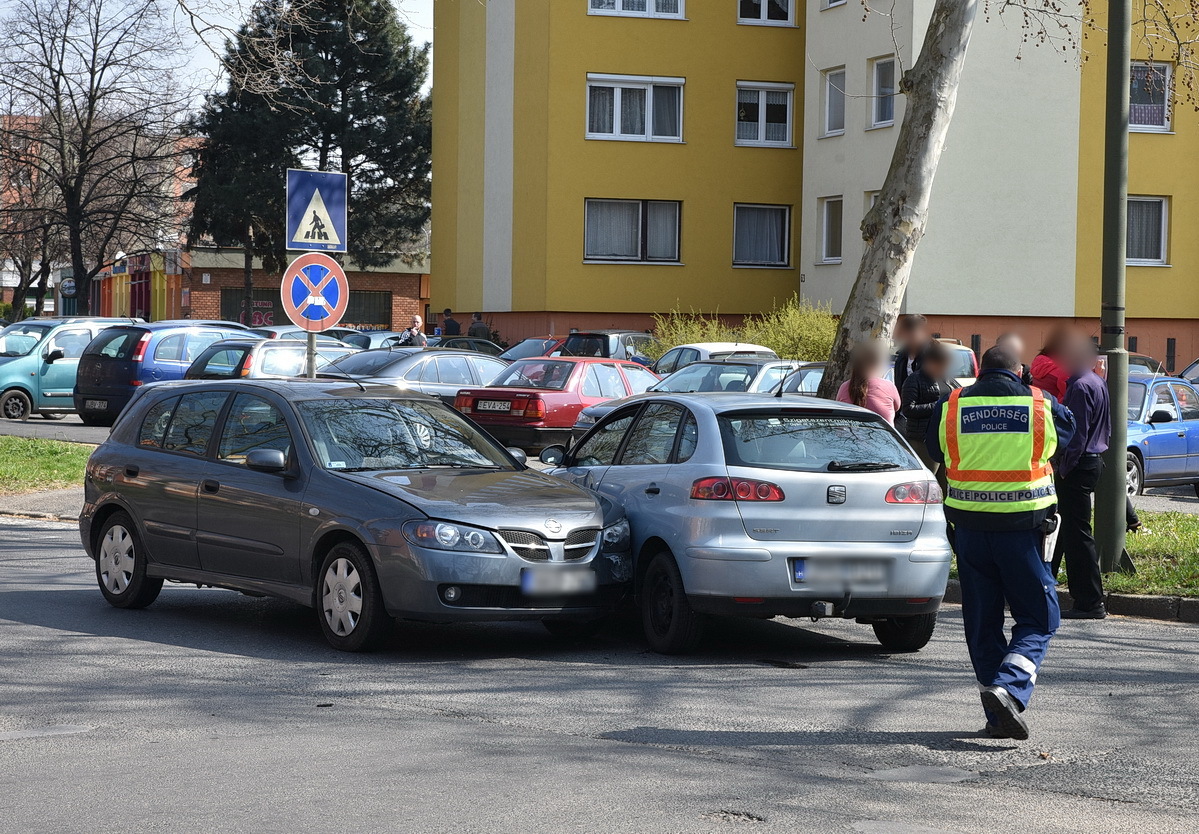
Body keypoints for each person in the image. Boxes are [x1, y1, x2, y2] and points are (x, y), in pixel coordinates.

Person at [927, 346, 1075, 740]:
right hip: (1023, 531)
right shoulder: (1040, 404)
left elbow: (935, 450)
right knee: (1040, 618)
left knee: (982, 623)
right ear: (1019, 370)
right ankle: (1009, 688)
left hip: (971, 532)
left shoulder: (951, 405)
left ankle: (998, 717)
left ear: (980, 370)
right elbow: (1068, 438)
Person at [1052, 335, 1112, 619]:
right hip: (1091, 461)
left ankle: (1089, 602)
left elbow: (1075, 435)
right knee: (1068, 531)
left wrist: (1063, 468)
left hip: (1077, 464)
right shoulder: (1096, 381)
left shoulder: (1080, 385)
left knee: (1076, 535)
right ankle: (1049, 588)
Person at [900, 340, 951, 486]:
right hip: (922, 439)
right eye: (941, 365)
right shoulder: (914, 380)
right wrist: (937, 406)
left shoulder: (944, 378)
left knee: (945, 483)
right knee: (927, 482)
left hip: (943, 437)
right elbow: (908, 409)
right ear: (930, 362)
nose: (943, 369)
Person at [837, 341, 902, 425]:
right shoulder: (888, 386)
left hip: (850, 436)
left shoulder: (844, 387)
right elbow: (897, 407)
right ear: (876, 364)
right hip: (882, 436)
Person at [1031, 326, 1073, 400]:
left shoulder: (1039, 360)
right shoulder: (1062, 372)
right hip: (1054, 408)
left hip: (1038, 405)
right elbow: (1069, 396)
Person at [893, 314, 932, 393]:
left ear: (922, 333)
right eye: (906, 335)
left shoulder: (931, 356)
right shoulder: (900, 357)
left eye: (913, 335)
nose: (909, 339)